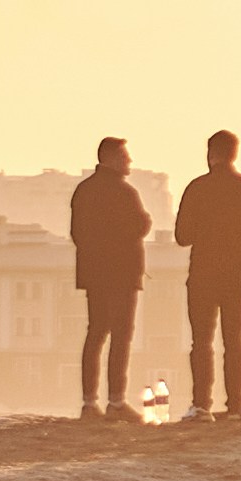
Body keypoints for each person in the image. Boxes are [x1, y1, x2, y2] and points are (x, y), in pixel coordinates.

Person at [171, 129, 241, 420]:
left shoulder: (197, 188)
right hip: (237, 273)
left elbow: (182, 236)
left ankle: (201, 405)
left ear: (210, 154)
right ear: (235, 154)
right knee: (234, 339)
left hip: (202, 272)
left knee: (201, 341)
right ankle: (236, 404)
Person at [66, 136, 150, 421]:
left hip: (95, 275)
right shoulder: (124, 192)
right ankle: (116, 402)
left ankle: (89, 402)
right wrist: (145, 222)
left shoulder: (84, 191)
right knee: (121, 336)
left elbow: (77, 233)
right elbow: (139, 226)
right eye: (125, 156)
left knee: (96, 333)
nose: (129, 161)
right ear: (112, 159)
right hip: (123, 275)